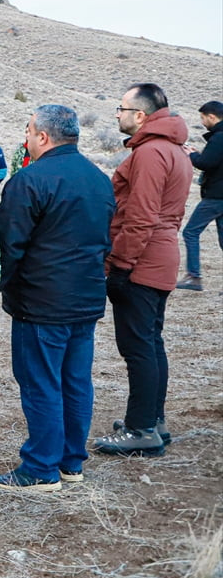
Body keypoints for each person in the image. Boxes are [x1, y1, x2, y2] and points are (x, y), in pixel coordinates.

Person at [0, 105, 115, 490]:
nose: (26, 137)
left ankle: (41, 467)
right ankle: (70, 462)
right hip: (85, 297)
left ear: (42, 137)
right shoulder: (99, 179)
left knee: (41, 381)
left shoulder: (29, 181)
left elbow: (8, 246)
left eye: (29, 130)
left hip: (42, 304)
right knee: (75, 380)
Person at [93, 83, 192, 457]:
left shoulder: (151, 153)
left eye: (121, 109)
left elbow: (141, 215)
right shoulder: (174, 149)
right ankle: (153, 419)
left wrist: (120, 264)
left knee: (138, 347)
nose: (116, 115)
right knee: (151, 342)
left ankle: (141, 429)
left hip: (143, 260)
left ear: (141, 115)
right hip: (159, 255)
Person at [176, 100, 223, 291]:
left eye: (203, 118)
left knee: (190, 232)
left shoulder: (219, 138)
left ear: (211, 117)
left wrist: (190, 155)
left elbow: (206, 163)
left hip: (216, 196)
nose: (202, 122)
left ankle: (193, 276)